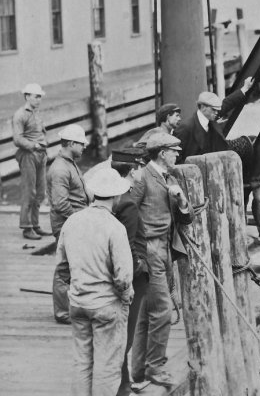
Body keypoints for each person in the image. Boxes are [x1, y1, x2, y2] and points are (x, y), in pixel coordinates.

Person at [56, 168, 134, 396]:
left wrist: (77, 285)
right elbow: (123, 276)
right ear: (116, 196)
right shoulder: (115, 227)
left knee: (82, 362)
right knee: (107, 366)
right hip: (106, 305)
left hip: (78, 303)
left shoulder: (72, 222)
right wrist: (126, 295)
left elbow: (61, 266)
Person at [130, 133, 193, 388]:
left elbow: (187, 218)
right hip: (149, 249)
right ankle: (155, 367)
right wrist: (137, 254)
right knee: (163, 310)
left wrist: (181, 200)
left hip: (166, 248)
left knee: (148, 312)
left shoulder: (170, 179)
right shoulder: (142, 178)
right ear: (162, 153)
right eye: (174, 150)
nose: (177, 154)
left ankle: (138, 372)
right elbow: (127, 213)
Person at [110, 147, 149, 396]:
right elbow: (128, 244)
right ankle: (121, 387)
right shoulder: (128, 203)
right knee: (126, 336)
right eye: (140, 167)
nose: (141, 171)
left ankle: (123, 384)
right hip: (131, 278)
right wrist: (139, 268)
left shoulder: (114, 198)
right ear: (133, 170)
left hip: (117, 275)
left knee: (121, 334)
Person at [48, 124, 93, 324]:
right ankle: (62, 313)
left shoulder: (69, 163)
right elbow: (60, 204)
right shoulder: (60, 169)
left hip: (73, 222)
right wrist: (80, 220)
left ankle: (71, 307)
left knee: (74, 265)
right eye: (81, 144)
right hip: (67, 225)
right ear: (72, 143)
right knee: (64, 268)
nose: (84, 147)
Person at [174, 78, 254, 163]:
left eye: (217, 109)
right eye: (214, 109)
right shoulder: (185, 128)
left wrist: (245, 88)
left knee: (252, 140)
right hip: (199, 167)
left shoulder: (210, 115)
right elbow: (176, 158)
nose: (217, 112)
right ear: (203, 107)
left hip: (217, 160)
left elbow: (228, 103)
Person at [12, 83, 51, 240]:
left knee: (41, 191)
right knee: (29, 191)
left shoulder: (37, 113)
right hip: (28, 154)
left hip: (41, 154)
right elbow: (17, 139)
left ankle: (35, 225)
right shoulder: (20, 115)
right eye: (36, 96)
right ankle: (26, 227)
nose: (39, 99)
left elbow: (42, 132)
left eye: (40, 97)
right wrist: (33, 145)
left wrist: (43, 146)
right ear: (27, 96)